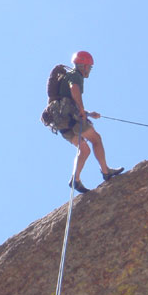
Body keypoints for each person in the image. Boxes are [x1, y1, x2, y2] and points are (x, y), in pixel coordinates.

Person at [46, 51, 124, 193]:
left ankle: (75, 179)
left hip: (60, 122)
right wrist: (82, 110)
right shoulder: (75, 75)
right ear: (84, 66)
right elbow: (74, 90)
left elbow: (67, 100)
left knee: (84, 149)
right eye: (90, 67)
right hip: (71, 118)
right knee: (96, 139)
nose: (90, 70)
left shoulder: (66, 77)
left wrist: (88, 113)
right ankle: (106, 172)